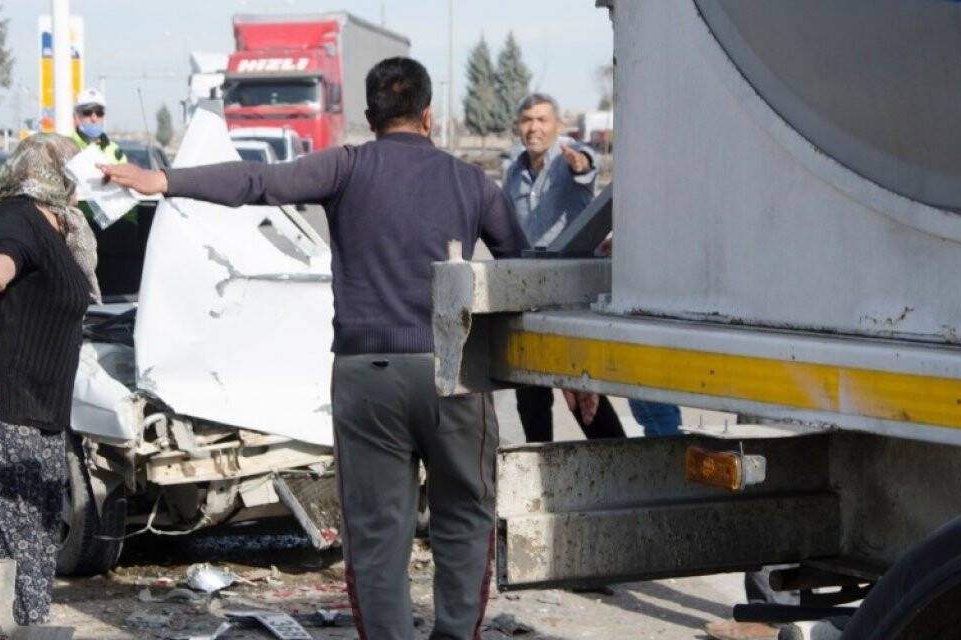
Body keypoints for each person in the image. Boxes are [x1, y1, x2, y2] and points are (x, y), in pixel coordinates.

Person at [103, 57, 525, 640]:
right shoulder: (473, 182)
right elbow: (523, 273)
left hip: (365, 376)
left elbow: (257, 182)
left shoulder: (346, 167)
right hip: (453, 373)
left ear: (370, 118)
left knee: (376, 535)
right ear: (428, 115)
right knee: (465, 518)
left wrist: (165, 181)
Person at [0, 133, 100, 625]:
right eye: (76, 167)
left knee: (41, 519)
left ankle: (11, 625)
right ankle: (12, 628)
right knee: (10, 526)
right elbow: (8, 252)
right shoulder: (16, 214)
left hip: (39, 396)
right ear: (54, 173)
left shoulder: (64, 225)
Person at [504, 92, 681, 440]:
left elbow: (586, 164)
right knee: (530, 395)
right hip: (528, 296)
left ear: (558, 125)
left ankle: (612, 457)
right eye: (527, 120)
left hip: (568, 297)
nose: (533, 127)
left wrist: (580, 165)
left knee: (583, 397)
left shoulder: (569, 159)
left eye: (542, 120)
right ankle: (538, 465)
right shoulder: (514, 172)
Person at [71, 88, 124, 164]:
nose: (94, 118)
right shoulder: (64, 146)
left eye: (99, 113)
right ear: (76, 117)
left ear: (104, 117)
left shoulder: (115, 150)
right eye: (87, 112)